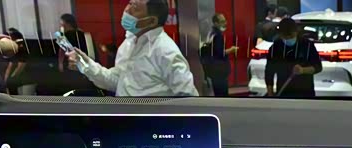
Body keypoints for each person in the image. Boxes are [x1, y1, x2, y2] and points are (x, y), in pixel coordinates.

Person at [66, 0, 198, 97]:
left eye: (135, 8)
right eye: (129, 4)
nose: (127, 11)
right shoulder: (129, 42)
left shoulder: (165, 51)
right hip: (124, 117)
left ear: (152, 21)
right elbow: (118, 81)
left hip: (150, 122)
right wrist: (86, 65)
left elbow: (188, 96)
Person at [264, 17, 321, 98]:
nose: (288, 39)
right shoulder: (275, 48)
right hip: (283, 93)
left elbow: (318, 67)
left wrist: (303, 70)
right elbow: (269, 72)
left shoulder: (307, 46)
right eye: (285, 36)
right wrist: (270, 93)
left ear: (296, 32)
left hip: (305, 93)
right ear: (280, 34)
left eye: (291, 36)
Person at [203, 13, 238, 97]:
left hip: (213, 69)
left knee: (217, 93)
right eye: (222, 21)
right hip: (219, 70)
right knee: (222, 94)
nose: (225, 23)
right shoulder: (218, 35)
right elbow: (220, 53)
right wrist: (231, 50)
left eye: (225, 21)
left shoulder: (211, 33)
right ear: (216, 23)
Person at [3, 28, 28, 94]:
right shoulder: (12, 50)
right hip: (16, 81)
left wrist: (11, 78)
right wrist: (6, 81)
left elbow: (21, 65)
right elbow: (10, 66)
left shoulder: (21, 48)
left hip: (26, 80)